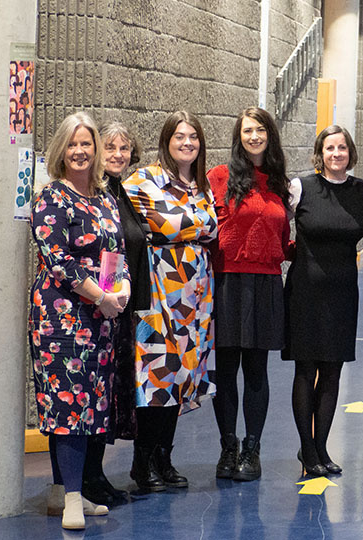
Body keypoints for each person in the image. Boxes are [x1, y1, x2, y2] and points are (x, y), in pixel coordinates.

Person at [30, 112, 129, 529]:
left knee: (90, 405)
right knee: (67, 403)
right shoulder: (52, 197)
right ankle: (73, 499)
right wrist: (101, 295)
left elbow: (114, 252)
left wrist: (119, 289)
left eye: (86, 143)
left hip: (101, 319)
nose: (80, 151)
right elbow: (59, 260)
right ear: (61, 150)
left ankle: (62, 490)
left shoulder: (105, 199)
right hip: (61, 318)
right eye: (72, 144)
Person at [124, 111, 217, 492]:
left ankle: (165, 456)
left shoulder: (203, 184)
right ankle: (142, 462)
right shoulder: (143, 179)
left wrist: (185, 225)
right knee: (155, 374)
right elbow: (168, 226)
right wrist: (195, 226)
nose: (187, 143)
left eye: (193, 137)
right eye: (179, 136)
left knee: (179, 376)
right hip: (157, 289)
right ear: (166, 141)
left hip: (195, 295)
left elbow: (208, 227)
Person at [208, 107, 291, 481]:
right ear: (238, 136)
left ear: (269, 134)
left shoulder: (281, 183)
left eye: (260, 130)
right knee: (225, 371)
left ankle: (252, 449)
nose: (254, 136)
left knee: (256, 371)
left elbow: (285, 238)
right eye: (247, 131)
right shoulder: (219, 178)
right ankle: (228, 447)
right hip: (226, 282)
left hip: (265, 283)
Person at [284, 125, 363, 477]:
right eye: (330, 148)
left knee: (332, 371)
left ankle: (321, 448)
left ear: (350, 152)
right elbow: (277, 226)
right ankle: (306, 448)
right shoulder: (301, 187)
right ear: (320, 153)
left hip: (343, 292)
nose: (337, 154)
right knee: (306, 370)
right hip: (305, 291)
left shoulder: (361, 190)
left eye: (343, 148)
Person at [78, 122, 146, 506]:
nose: (118, 154)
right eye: (111, 147)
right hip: (96, 309)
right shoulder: (96, 196)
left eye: (124, 148)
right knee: (94, 394)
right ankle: (85, 478)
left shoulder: (126, 193)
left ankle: (97, 474)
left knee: (109, 398)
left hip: (121, 309)